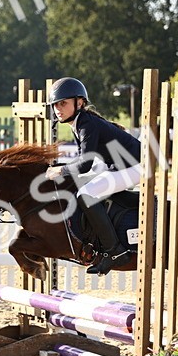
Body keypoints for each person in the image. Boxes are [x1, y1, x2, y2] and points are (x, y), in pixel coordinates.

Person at [44, 77, 143, 275]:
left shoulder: (86, 124)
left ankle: (115, 251)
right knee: (85, 187)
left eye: (63, 103)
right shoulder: (80, 122)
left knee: (86, 195)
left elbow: (85, 164)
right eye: (55, 105)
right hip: (118, 164)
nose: (57, 109)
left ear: (79, 102)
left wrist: (60, 170)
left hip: (135, 166)